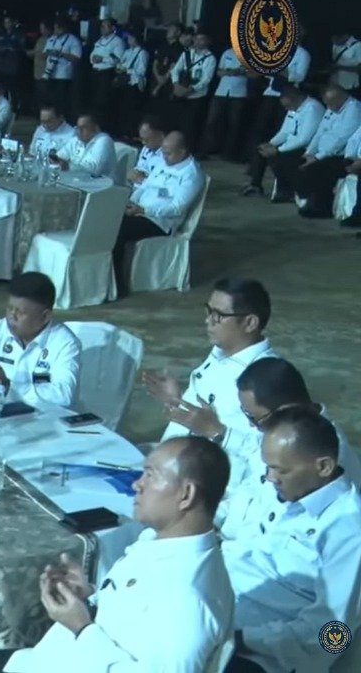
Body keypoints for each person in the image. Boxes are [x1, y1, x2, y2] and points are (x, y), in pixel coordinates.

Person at [0, 437, 233, 672]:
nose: (137, 484)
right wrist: (88, 597)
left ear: (186, 495)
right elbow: (135, 621)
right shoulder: (160, 542)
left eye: (151, 475)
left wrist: (81, 627)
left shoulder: (189, 599)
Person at [219, 408, 361, 673]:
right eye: (268, 466)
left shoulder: (348, 531)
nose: (270, 477)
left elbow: (333, 635)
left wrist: (239, 639)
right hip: (222, 603)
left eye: (279, 470)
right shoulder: (293, 489)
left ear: (323, 466)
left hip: (260, 653)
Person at [148, 278, 276, 490]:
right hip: (174, 471)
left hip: (219, 490)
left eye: (219, 316)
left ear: (250, 323)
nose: (208, 321)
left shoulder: (268, 376)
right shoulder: (220, 353)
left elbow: (275, 453)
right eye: (208, 311)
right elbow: (203, 415)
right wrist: (177, 401)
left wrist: (217, 432)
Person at [230, 357, 361, 493]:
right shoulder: (283, 430)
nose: (251, 424)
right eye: (245, 412)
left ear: (284, 410)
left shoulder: (317, 459)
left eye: (253, 417)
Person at [0, 272, 80, 406]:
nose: (11, 317)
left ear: (45, 317)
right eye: (10, 309)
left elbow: (64, 395)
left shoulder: (65, 343)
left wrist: (9, 387)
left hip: (44, 417)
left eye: (20, 312)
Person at [112, 131, 204, 295]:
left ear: (182, 151)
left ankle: (117, 285)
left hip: (160, 222)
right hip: (139, 210)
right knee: (106, 218)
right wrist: (129, 202)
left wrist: (144, 210)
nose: (164, 157)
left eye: (168, 153)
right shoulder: (164, 162)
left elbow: (177, 208)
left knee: (118, 230)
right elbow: (145, 187)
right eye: (163, 152)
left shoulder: (191, 174)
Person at [278, 85, 361, 209]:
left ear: (341, 98)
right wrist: (309, 153)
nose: (328, 107)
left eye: (330, 103)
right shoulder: (332, 108)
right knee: (289, 160)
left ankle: (320, 205)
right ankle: (302, 196)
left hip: (336, 155)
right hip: (321, 152)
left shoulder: (354, 110)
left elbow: (341, 140)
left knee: (314, 169)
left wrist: (317, 157)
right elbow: (320, 132)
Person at [240, 86, 325, 200]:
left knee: (278, 157)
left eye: (288, 106)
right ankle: (255, 185)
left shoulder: (313, 109)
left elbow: (304, 139)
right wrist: (271, 144)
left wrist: (278, 150)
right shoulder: (293, 108)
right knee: (260, 150)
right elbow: (284, 131)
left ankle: (287, 191)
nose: (286, 109)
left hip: (307, 147)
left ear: (298, 99)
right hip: (291, 144)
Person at [168, 32, 216, 153]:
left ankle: (187, 150)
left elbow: (206, 79)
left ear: (207, 41)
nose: (198, 42)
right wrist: (175, 84)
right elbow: (175, 70)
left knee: (190, 126)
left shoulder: (210, 58)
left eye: (202, 39)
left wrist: (191, 89)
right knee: (175, 121)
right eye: (197, 39)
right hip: (180, 92)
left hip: (196, 96)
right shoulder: (187, 54)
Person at [203, 44, 249, 161]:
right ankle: (209, 149)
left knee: (234, 124)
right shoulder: (227, 52)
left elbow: (251, 72)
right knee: (212, 121)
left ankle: (228, 153)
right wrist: (230, 71)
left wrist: (238, 72)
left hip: (239, 93)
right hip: (221, 91)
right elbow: (219, 71)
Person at [39, 20, 82, 116]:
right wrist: (49, 52)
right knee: (48, 99)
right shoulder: (51, 39)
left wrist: (61, 54)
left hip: (63, 75)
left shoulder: (73, 40)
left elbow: (77, 58)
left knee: (61, 101)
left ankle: (62, 118)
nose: (55, 30)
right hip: (50, 74)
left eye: (57, 28)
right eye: (55, 28)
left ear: (64, 28)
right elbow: (43, 55)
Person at [52, 112, 115, 177]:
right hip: (77, 180)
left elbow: (95, 169)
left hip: (101, 182)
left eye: (84, 127)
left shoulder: (104, 140)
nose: (79, 131)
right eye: (78, 127)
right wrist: (56, 160)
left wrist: (68, 166)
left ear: (96, 128)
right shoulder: (76, 140)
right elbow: (60, 157)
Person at [112, 29, 149, 138]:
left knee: (132, 110)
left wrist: (127, 70)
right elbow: (121, 63)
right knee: (122, 108)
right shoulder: (127, 52)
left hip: (134, 84)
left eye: (130, 37)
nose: (128, 39)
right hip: (124, 84)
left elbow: (141, 71)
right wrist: (118, 66)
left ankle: (131, 133)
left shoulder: (142, 53)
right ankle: (121, 131)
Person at [88, 18, 124, 119]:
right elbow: (93, 54)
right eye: (101, 26)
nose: (102, 28)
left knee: (103, 101)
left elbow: (119, 59)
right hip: (95, 72)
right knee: (93, 99)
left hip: (106, 74)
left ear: (113, 28)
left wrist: (103, 59)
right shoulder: (100, 40)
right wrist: (93, 59)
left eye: (105, 26)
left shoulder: (118, 42)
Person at [127, 115, 166, 184]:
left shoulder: (169, 156)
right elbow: (138, 168)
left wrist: (142, 180)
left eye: (147, 140)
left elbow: (163, 184)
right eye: (142, 139)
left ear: (161, 136)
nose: (143, 143)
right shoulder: (146, 148)